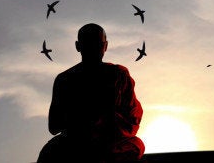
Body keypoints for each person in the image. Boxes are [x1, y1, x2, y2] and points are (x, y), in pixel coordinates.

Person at [37, 23, 145, 163]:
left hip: (109, 142)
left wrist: (107, 121)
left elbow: (132, 119)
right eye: (88, 44)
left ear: (105, 46)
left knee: (136, 145)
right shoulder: (65, 79)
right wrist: (87, 116)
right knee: (49, 153)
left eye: (97, 44)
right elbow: (53, 126)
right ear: (78, 46)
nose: (93, 49)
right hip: (73, 143)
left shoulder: (118, 75)